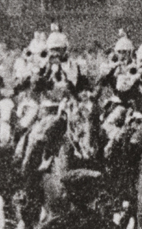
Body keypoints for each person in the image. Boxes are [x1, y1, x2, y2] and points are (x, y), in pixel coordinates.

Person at [16, 25, 92, 179]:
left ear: (66, 50)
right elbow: (34, 87)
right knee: (34, 137)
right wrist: (45, 74)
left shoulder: (74, 66)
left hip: (70, 111)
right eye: (53, 49)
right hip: (47, 110)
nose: (56, 53)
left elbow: (81, 87)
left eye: (59, 49)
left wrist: (65, 73)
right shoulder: (43, 67)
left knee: (88, 132)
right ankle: (26, 170)